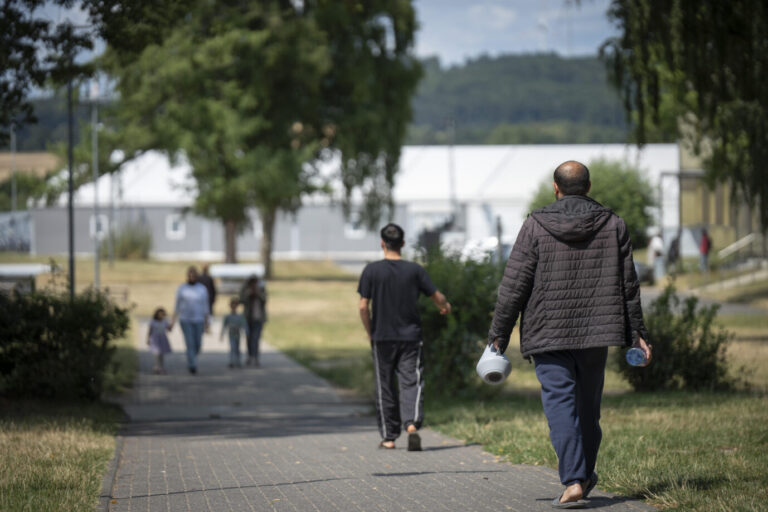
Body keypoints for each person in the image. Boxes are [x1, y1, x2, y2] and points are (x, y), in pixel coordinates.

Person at [487, 161, 652, 508]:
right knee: (588, 410)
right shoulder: (613, 224)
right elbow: (629, 285)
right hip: (596, 332)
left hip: (548, 332)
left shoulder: (535, 225)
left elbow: (514, 284)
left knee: (561, 406)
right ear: (589, 187)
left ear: (555, 187)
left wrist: (498, 334)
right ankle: (584, 475)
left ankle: (575, 479)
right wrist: (637, 332)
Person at [357, 223, 451, 451]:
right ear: (403, 243)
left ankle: (389, 438)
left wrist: (371, 332)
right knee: (411, 381)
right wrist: (445, 306)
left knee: (385, 386)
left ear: (382, 243)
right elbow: (436, 296)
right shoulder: (415, 270)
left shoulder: (371, 270)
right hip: (410, 337)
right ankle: (411, 425)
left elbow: (362, 306)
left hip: (382, 337)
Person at [171, 266, 210, 374]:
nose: (192, 277)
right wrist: (172, 321)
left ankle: (192, 356)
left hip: (199, 319)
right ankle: (192, 364)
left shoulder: (202, 289)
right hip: (185, 319)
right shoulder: (182, 288)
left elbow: (205, 306)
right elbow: (177, 306)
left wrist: (207, 322)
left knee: (197, 344)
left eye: (194, 275)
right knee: (190, 342)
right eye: (190, 275)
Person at [240, 276, 267, 367]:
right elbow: (241, 300)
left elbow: (265, 299)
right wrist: (248, 294)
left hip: (258, 318)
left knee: (256, 339)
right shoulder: (246, 290)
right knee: (249, 339)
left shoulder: (261, 289)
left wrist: (258, 293)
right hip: (248, 319)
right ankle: (250, 356)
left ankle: (256, 357)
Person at [221, 297, 247, 368]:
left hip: (238, 334)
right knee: (232, 347)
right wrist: (222, 335)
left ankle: (238, 361)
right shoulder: (228, 316)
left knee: (237, 348)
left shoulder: (240, 316)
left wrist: (246, 333)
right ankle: (231, 361)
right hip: (231, 334)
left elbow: (244, 325)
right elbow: (224, 325)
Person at [147, 307, 172, 374]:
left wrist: (171, 324)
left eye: (162, 314)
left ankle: (161, 367)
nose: (161, 316)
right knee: (156, 354)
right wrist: (148, 339)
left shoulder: (165, 321)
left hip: (162, 339)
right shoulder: (153, 322)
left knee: (161, 354)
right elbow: (150, 330)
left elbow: (169, 329)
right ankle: (156, 366)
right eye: (159, 314)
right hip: (155, 339)